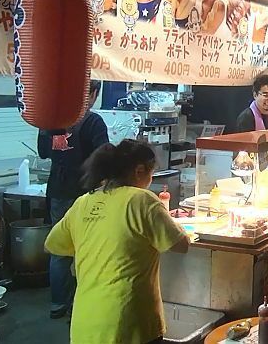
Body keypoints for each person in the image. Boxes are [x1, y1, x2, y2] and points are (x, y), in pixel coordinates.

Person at [44, 140, 190, 344]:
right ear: (140, 170)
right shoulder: (142, 200)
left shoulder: (83, 202)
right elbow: (181, 244)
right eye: (151, 173)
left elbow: (53, 243)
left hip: (85, 323)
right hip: (129, 324)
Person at [37, 80, 108, 319]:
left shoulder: (50, 119)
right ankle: (82, 303)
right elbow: (105, 156)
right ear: (92, 94)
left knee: (60, 249)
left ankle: (58, 303)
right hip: (84, 193)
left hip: (57, 190)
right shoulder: (93, 121)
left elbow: (43, 152)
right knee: (88, 248)